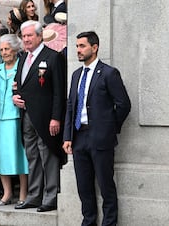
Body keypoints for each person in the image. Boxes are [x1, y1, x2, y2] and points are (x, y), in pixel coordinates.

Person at [62, 31, 131, 226]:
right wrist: (68, 136)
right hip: (79, 137)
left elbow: (124, 104)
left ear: (95, 47)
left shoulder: (109, 73)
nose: (78, 50)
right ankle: (89, 221)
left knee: (105, 184)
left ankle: (109, 223)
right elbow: (70, 106)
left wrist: (110, 127)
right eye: (76, 46)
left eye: (82, 46)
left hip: (100, 138)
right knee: (84, 186)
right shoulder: (76, 75)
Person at [12, 20, 66, 212]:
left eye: (29, 36)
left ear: (39, 36)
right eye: (24, 36)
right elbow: (20, 85)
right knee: (32, 155)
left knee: (48, 155)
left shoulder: (53, 57)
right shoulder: (22, 58)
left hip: (46, 117)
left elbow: (59, 91)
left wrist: (56, 117)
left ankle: (51, 196)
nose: (26, 39)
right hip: (26, 115)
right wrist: (15, 97)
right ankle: (34, 195)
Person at [0, 34, 28, 206]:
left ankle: (24, 194)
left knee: (19, 155)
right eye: (1, 49)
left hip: (16, 115)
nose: (4, 52)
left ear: (15, 49)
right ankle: (7, 193)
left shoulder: (23, 66)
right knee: (0, 155)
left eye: (7, 49)